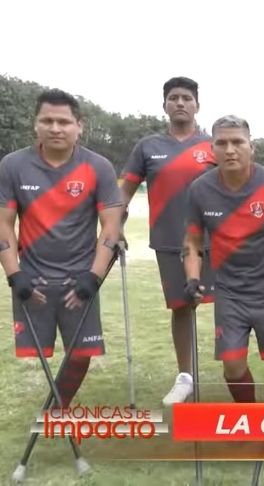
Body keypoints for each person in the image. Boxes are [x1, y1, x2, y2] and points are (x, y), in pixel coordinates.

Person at [0, 89, 123, 408]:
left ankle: (57, 408)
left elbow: (111, 226)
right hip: (33, 279)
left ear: (79, 125)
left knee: (82, 352)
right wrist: (15, 274)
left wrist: (93, 277)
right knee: (37, 353)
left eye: (64, 121)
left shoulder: (99, 167)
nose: (56, 128)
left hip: (80, 278)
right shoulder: (12, 165)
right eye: (47, 120)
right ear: (35, 124)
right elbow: (3, 224)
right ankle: (55, 409)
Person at [183, 115, 264, 402]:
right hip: (229, 292)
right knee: (232, 364)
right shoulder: (199, 190)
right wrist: (192, 278)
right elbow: (191, 241)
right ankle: (249, 415)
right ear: (211, 149)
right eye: (222, 143)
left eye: (237, 142)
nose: (230, 150)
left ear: (252, 148)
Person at [120, 76, 217, 406]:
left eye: (186, 98)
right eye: (173, 97)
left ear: (197, 106)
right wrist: (113, 229)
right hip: (170, 240)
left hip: (217, 240)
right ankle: (186, 377)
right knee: (182, 306)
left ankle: (235, 370)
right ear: (164, 105)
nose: (180, 102)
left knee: (232, 304)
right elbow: (123, 193)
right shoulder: (148, 147)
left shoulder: (215, 144)